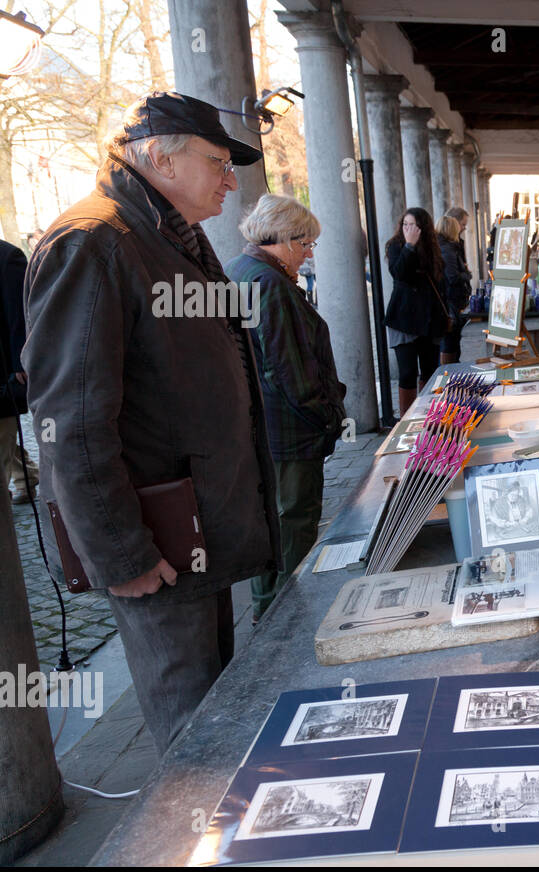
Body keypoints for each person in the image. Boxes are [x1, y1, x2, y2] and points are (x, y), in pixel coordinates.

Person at [22, 92, 280, 754]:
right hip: (158, 542)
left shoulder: (164, 234)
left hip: (194, 527)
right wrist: (121, 555)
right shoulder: (93, 241)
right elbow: (70, 422)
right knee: (195, 737)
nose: (231, 180)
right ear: (160, 155)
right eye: (220, 162)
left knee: (217, 710)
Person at [225, 193, 347, 622]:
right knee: (293, 522)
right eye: (307, 244)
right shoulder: (270, 283)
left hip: (264, 426)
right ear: (286, 239)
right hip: (288, 430)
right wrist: (329, 417)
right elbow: (288, 372)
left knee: (275, 523)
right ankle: (283, 622)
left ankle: (268, 611)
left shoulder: (241, 269)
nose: (310, 253)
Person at [384, 206, 448, 415]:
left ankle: (428, 414)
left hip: (429, 318)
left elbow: (439, 281)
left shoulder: (432, 246)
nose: (408, 229)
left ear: (423, 228)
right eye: (405, 224)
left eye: (413, 225)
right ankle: (407, 419)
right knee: (407, 372)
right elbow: (399, 273)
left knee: (430, 370)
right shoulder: (396, 245)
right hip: (404, 318)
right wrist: (409, 247)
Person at [1, 239, 40, 504]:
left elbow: (21, 310)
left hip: (5, 368)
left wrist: (19, 360)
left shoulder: (7, 257)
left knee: (2, 429)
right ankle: (26, 478)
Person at [438, 209, 473, 365]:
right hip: (451, 300)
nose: (464, 228)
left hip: (453, 299)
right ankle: (448, 374)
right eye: (463, 224)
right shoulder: (447, 249)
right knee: (450, 343)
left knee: (452, 342)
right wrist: (467, 274)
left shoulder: (450, 247)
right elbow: (453, 277)